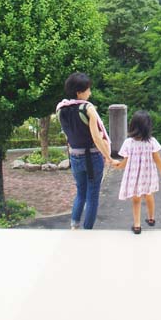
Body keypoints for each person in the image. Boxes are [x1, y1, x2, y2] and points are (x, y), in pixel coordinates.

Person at [56, 72, 119, 229]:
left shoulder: (60, 109)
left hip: (75, 156)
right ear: (79, 92)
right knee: (92, 195)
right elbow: (97, 138)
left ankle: (74, 226)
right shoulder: (87, 109)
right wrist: (109, 158)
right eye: (88, 89)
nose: (90, 92)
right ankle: (87, 231)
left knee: (80, 193)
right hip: (92, 157)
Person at [116, 110, 161, 234]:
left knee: (136, 199)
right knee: (149, 195)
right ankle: (151, 219)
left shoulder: (128, 142)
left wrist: (117, 166)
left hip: (134, 176)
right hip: (148, 175)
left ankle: (137, 225)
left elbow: (124, 162)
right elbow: (157, 158)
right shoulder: (151, 141)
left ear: (132, 125)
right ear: (148, 127)